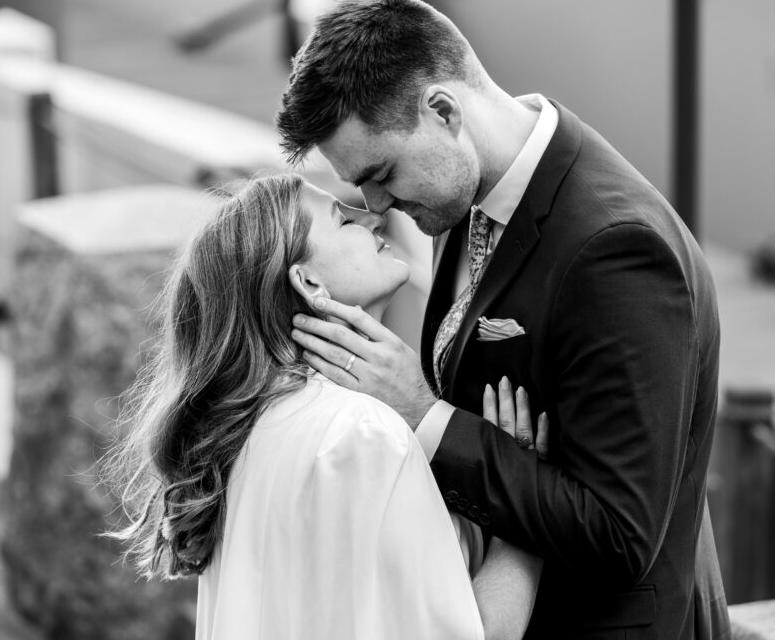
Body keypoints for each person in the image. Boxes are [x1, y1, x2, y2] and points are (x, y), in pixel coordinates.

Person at [279, 0, 731, 639]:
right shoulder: (458, 196)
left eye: (380, 173)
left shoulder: (617, 250)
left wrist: (424, 415)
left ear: (442, 110)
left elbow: (621, 536)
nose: (374, 205)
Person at [103, 174, 545, 640]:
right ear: (309, 281)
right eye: (342, 217)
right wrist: (527, 503)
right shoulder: (361, 432)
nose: (372, 215)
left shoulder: (248, 432)